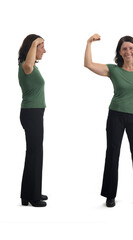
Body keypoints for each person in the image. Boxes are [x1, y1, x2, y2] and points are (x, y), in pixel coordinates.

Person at [84, 34, 133, 207]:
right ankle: (110, 195)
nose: (128, 51)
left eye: (131, 48)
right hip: (116, 115)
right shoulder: (113, 70)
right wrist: (89, 43)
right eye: (124, 48)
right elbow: (88, 64)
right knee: (112, 153)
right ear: (120, 52)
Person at [18, 34, 48, 207]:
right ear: (32, 47)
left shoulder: (31, 67)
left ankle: (29, 192)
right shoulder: (26, 65)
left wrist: (36, 43)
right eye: (41, 46)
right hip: (31, 113)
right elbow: (28, 64)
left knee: (35, 153)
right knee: (35, 153)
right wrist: (35, 41)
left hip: (34, 113)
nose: (44, 50)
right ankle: (32, 196)